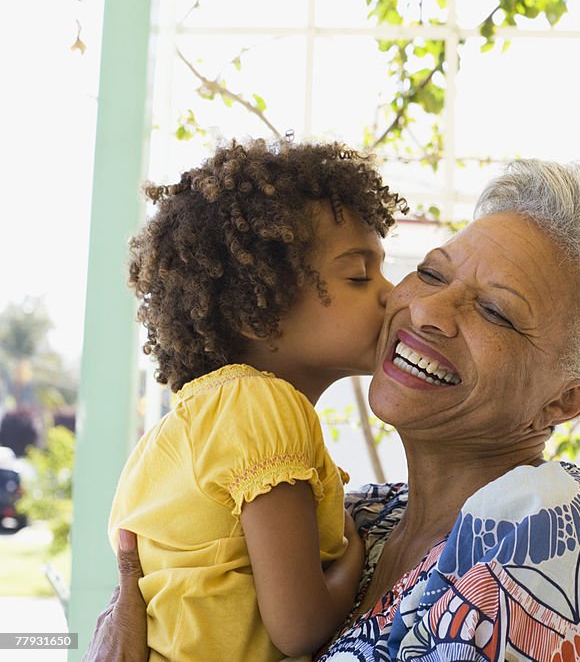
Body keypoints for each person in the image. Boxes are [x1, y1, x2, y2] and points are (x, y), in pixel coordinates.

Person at [87, 158, 580, 662]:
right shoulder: (366, 516)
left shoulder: (541, 541)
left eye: (495, 311)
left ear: (566, 399)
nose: (424, 311)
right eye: (430, 273)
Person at [106, 139, 405, 660]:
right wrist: (357, 558)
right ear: (257, 309)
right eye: (359, 275)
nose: (391, 292)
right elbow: (300, 628)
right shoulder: (263, 406)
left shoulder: (196, 422)